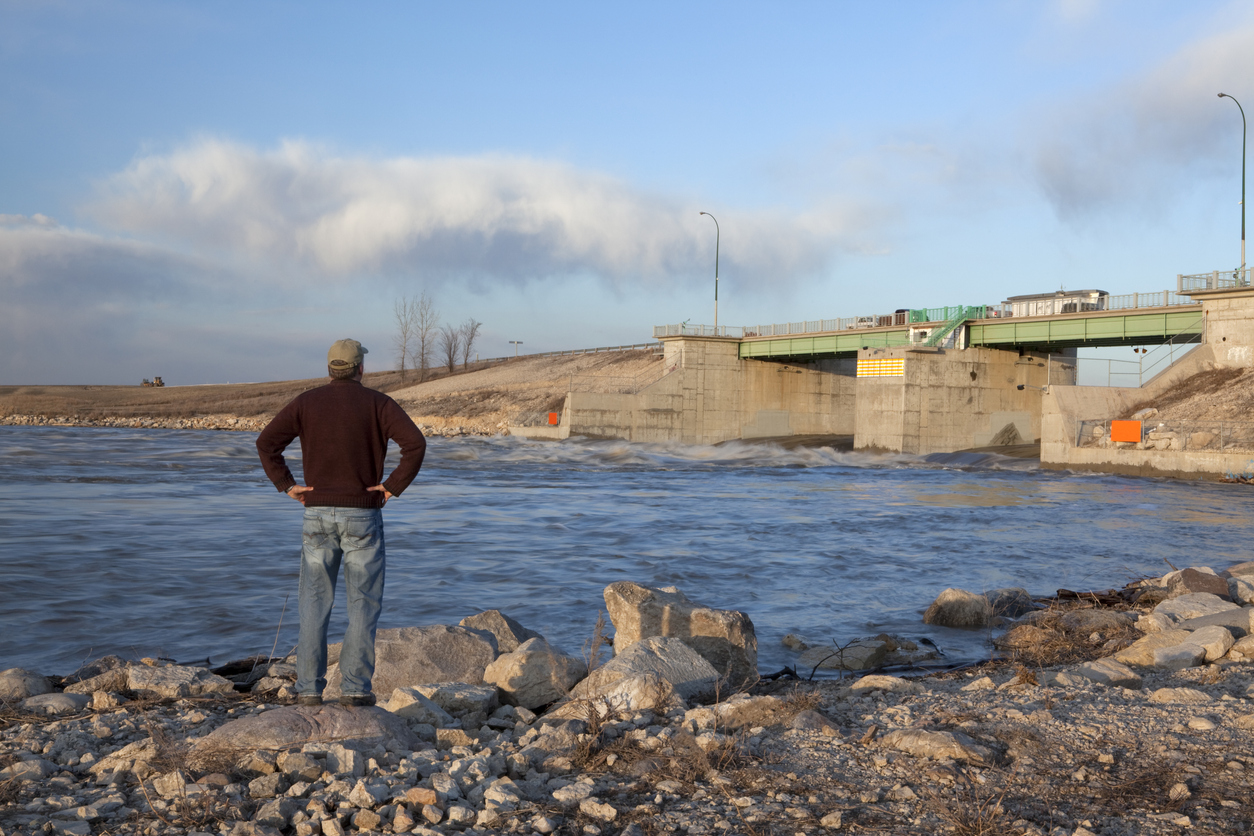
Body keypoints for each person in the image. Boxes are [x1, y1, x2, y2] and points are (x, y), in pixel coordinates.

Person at [256, 339, 427, 707]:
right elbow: (415, 444)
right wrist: (392, 487)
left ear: (330, 369)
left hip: (316, 513)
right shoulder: (379, 403)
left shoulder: (307, 402)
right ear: (361, 368)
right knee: (363, 603)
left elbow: (267, 443)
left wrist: (286, 485)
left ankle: (308, 691)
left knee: (314, 603)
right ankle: (354, 690)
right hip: (363, 514)